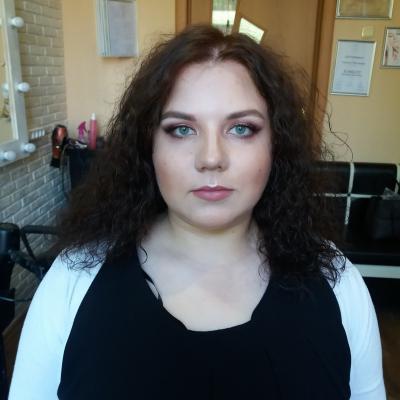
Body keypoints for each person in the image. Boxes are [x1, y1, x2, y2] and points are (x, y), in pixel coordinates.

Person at [9, 24, 385, 399]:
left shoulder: (337, 282)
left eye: (241, 128)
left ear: (276, 145)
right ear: (148, 146)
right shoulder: (74, 279)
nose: (211, 158)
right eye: (182, 130)